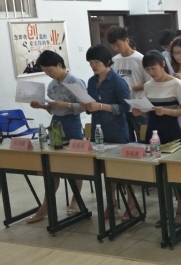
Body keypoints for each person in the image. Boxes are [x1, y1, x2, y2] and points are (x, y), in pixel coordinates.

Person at [27, 51, 86, 223]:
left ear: (60, 65)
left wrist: (66, 105)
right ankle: (45, 207)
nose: (48, 74)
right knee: (52, 166)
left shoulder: (75, 81)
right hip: (56, 124)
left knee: (74, 164)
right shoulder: (52, 85)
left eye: (50, 70)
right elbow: (53, 109)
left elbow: (86, 106)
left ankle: (76, 200)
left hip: (72, 123)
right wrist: (41, 106)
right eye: (45, 71)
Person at [132, 50, 181, 227]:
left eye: (154, 68)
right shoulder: (148, 85)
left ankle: (180, 211)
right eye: (148, 69)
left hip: (171, 132)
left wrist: (166, 111)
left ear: (163, 64)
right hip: (153, 131)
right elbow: (150, 112)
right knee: (159, 175)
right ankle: (165, 211)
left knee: (177, 174)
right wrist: (141, 112)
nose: (151, 72)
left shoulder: (177, 84)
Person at [82, 45, 131, 219]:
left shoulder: (117, 81)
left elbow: (126, 106)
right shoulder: (91, 81)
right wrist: (87, 106)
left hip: (117, 129)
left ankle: (131, 204)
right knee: (105, 168)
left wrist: (101, 106)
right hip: (98, 128)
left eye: (96, 62)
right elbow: (91, 104)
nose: (93, 66)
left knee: (122, 169)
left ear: (107, 61)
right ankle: (112, 201)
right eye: (90, 62)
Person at [107, 26, 150, 142]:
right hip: (122, 107)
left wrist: (130, 89)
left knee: (144, 140)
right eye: (113, 46)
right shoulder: (114, 61)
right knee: (125, 141)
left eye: (118, 45)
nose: (116, 48)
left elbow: (149, 82)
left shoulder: (141, 59)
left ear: (127, 40)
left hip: (139, 106)